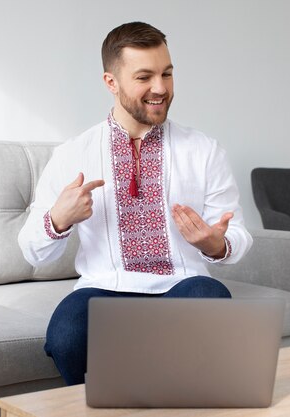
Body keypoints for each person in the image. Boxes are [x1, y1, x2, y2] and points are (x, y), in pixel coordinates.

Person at [18, 21, 253, 385]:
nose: (160, 88)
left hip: (182, 284)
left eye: (167, 74)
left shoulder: (204, 150)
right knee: (67, 337)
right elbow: (32, 251)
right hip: (103, 288)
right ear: (111, 82)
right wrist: (58, 220)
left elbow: (237, 233)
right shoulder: (73, 154)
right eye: (145, 77)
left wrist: (215, 243)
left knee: (211, 299)